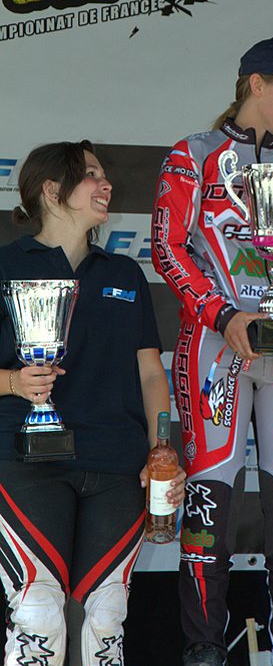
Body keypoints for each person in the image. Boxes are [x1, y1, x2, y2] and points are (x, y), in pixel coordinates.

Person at [151, 36, 273, 666]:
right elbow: (168, 246)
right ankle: (204, 646)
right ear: (255, 83)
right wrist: (222, 313)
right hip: (217, 346)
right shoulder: (194, 157)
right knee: (211, 486)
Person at [0, 140, 186, 666]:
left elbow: (151, 373)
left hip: (117, 464)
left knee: (106, 617)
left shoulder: (124, 274)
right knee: (38, 612)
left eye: (104, 176)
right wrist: (15, 383)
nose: (105, 185)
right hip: (25, 461)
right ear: (51, 190)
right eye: (90, 176)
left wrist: (161, 450)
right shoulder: (5, 265)